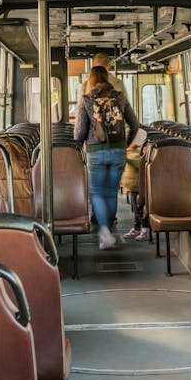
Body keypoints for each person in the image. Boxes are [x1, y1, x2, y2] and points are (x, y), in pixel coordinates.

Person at [75, 65, 140, 249]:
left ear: (91, 80)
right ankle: (108, 230)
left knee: (96, 193)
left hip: (95, 151)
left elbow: (79, 133)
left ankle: (104, 230)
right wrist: (125, 143)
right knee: (111, 192)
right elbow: (135, 125)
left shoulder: (86, 99)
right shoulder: (120, 97)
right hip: (118, 151)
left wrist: (80, 145)